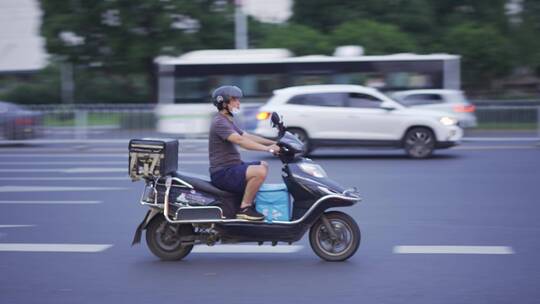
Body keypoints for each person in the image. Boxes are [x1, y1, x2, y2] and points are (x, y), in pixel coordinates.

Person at [209, 85, 280, 221]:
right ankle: (245, 208)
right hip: (222, 172)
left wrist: (272, 142)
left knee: (263, 164)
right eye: (234, 100)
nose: (238, 103)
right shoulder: (219, 122)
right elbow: (240, 141)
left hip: (232, 167)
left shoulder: (227, 120)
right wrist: (268, 149)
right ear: (223, 103)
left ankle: (244, 201)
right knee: (259, 172)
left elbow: (246, 136)